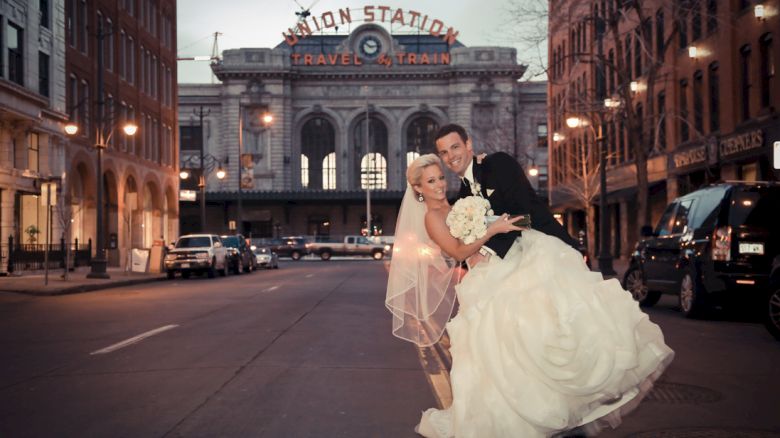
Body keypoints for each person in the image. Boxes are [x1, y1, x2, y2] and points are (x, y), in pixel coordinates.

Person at [385, 154, 674, 438]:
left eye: (440, 178)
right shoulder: (432, 218)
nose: (438, 185)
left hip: (501, 268)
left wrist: (501, 216)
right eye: (430, 181)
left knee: (533, 330)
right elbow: (458, 252)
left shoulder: (462, 202)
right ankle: (509, 415)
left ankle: (552, 399)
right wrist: (490, 231)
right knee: (495, 348)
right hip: (482, 283)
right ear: (418, 188)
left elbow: (509, 217)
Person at [434, 123, 580, 261]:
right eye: (444, 153)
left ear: (468, 145)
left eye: (455, 147)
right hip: (508, 259)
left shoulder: (498, 163)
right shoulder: (463, 197)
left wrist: (488, 250)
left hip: (546, 249)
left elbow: (525, 215)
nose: (451, 156)